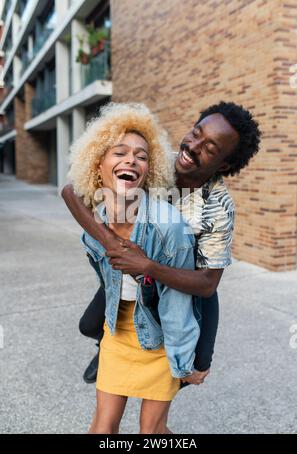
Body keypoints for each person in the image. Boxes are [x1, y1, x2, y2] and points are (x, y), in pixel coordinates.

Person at [63, 101, 261, 432]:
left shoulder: (217, 206)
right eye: (196, 133)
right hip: (129, 272)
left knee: (156, 421)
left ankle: (181, 361)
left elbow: (208, 284)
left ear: (224, 163)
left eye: (208, 147)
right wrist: (114, 245)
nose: (192, 147)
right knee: (88, 325)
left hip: (179, 289)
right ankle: (109, 347)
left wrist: (147, 265)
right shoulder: (154, 164)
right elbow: (73, 191)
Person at [67, 102, 203, 434]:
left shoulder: (169, 228)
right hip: (118, 330)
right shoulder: (96, 225)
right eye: (120, 153)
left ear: (147, 172)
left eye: (141, 156)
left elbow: (179, 301)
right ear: (98, 166)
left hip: (160, 337)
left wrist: (186, 360)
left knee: (151, 431)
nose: (131, 160)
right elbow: (106, 280)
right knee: (102, 426)